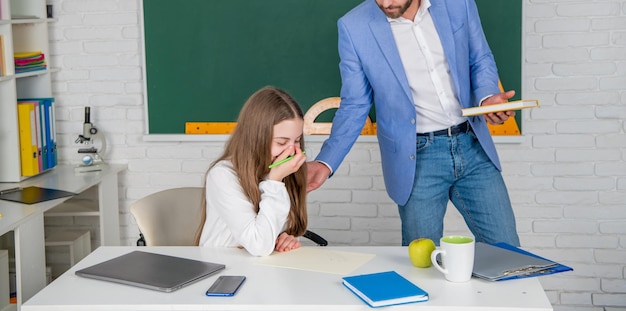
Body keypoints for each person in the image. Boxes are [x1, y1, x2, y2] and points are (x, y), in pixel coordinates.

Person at [307, 0, 520, 246]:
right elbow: (355, 103)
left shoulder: (458, 4)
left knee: (508, 253)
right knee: (422, 264)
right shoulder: (354, 27)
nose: (385, 3)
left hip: (473, 146)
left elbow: (479, 58)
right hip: (417, 158)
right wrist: (326, 161)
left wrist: (487, 97)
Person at [197, 86, 308, 256]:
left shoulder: (281, 170)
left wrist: (286, 238)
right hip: (223, 265)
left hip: (262, 268)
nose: (292, 151)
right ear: (256, 138)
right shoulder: (222, 175)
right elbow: (259, 245)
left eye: (297, 140)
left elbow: (274, 231)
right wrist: (275, 182)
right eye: (281, 142)